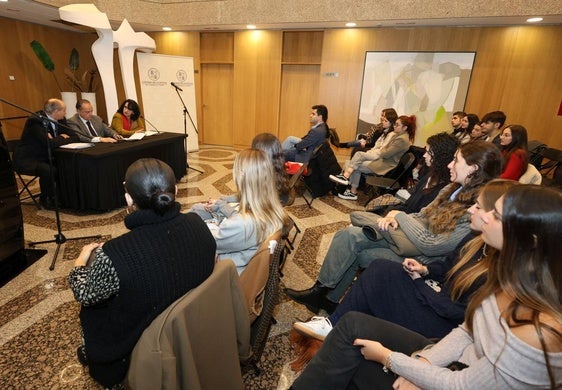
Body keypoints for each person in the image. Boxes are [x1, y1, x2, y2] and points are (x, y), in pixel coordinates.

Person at [291, 185, 562, 390]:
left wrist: (392, 360)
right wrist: (423, 362)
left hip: (457, 376)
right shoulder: (511, 277)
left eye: (497, 215)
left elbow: (461, 385)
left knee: (349, 354)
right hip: (452, 358)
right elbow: (467, 331)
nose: (484, 217)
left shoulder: (540, 333)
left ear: (531, 240)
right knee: (350, 327)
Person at [285, 141, 502, 314]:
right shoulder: (451, 188)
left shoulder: (477, 208)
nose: (449, 165)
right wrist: (398, 219)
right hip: (408, 242)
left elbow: (431, 245)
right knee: (349, 234)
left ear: (473, 168)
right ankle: (323, 294)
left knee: (359, 249)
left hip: (423, 260)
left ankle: (325, 296)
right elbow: (423, 214)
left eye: (455, 161)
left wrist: (399, 216)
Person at [293, 179, 518, 342]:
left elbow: (456, 312)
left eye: (479, 208)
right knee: (379, 267)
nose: (471, 210)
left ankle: (343, 326)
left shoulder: (502, 272)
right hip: (436, 293)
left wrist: (420, 283)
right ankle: (332, 320)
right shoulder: (477, 239)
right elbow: (447, 265)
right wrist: (425, 270)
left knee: (376, 271)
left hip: (442, 324)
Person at [68, 158, 217, 388]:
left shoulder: (115, 253)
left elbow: (84, 293)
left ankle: (99, 360)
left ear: (128, 199)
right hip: (190, 323)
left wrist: (80, 261)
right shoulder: (198, 224)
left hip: (137, 341)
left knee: (92, 308)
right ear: (175, 190)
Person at [190, 149, 287, 274]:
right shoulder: (273, 208)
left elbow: (207, 243)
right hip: (243, 261)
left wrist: (207, 225)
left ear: (241, 175)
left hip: (227, 273)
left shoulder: (242, 223)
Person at [365, 132, 458, 216]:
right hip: (402, 213)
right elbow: (409, 204)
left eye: (429, 152)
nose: (424, 155)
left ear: (440, 157)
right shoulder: (431, 175)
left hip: (404, 221)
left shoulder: (442, 188)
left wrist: (393, 214)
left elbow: (416, 214)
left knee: (359, 221)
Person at [330, 115, 416, 201]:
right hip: (382, 160)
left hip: (385, 165)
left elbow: (385, 153)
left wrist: (381, 151)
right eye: (395, 124)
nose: (394, 126)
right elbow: (385, 150)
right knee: (355, 163)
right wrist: (382, 150)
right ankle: (351, 188)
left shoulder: (402, 140)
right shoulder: (397, 136)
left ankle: (349, 184)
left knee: (356, 163)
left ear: (405, 128)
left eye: (397, 125)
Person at [12, 98, 79, 209]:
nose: (65, 113)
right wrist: (61, 137)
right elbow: (49, 143)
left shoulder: (61, 119)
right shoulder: (35, 121)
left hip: (46, 156)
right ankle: (46, 199)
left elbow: (74, 136)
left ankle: (62, 196)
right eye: (64, 110)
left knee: (66, 165)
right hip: (29, 159)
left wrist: (57, 139)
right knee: (49, 170)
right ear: (55, 111)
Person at [251, 132, 292, 206]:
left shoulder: (263, 180)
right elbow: (246, 195)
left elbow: (250, 210)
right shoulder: (278, 172)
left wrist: (223, 206)